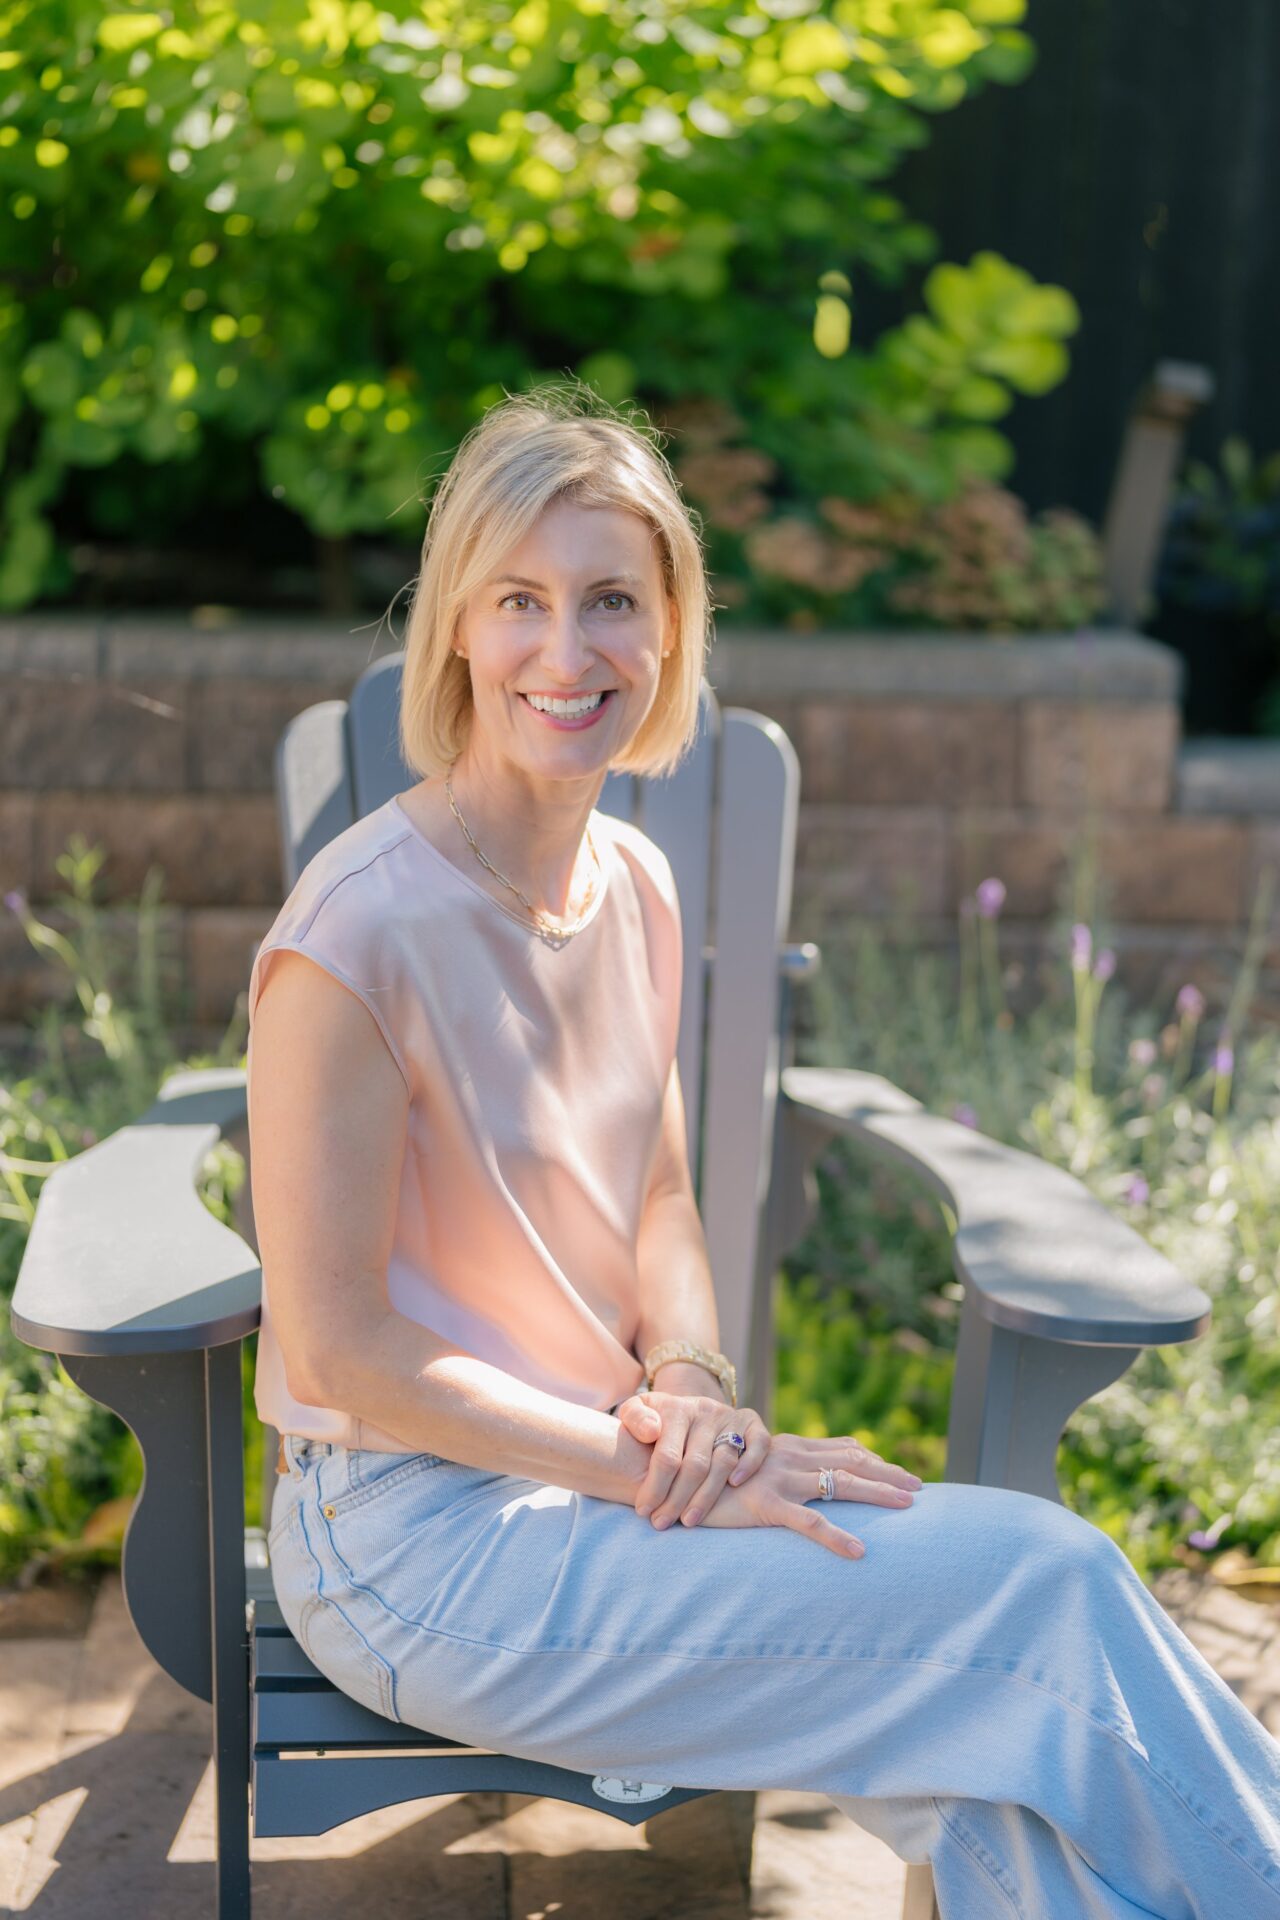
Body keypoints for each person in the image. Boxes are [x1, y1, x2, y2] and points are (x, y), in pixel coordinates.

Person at [246, 382, 1280, 1920]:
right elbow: (345, 1351)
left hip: (612, 1478)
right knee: (1041, 1596)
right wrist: (653, 1468)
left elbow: (658, 1193)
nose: (569, 649)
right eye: (520, 600)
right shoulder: (357, 933)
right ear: (454, 627)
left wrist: (693, 1386)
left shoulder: (637, 885)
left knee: (1005, 1759)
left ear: (670, 629)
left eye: (613, 600)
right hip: (416, 1542)